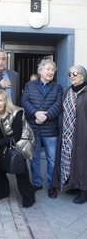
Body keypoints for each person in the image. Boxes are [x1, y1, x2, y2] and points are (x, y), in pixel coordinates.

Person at [21, 59, 63, 198]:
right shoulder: (30, 85)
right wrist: (35, 113)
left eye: (53, 70)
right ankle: (37, 183)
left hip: (51, 129)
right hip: (34, 127)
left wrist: (47, 115)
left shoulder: (58, 87)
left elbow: (58, 104)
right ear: (40, 71)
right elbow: (24, 101)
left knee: (51, 159)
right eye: (48, 69)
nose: (51, 72)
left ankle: (52, 185)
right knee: (35, 158)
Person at [0, 89, 35, 207]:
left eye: (0, 100)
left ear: (6, 102)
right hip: (5, 141)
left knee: (20, 167)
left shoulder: (16, 113)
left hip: (21, 142)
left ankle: (29, 197)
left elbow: (17, 136)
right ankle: (3, 191)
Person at [53, 65, 87, 204]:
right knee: (70, 160)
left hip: (82, 134)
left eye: (75, 73)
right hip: (67, 133)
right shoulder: (68, 91)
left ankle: (84, 191)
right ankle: (73, 184)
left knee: (83, 162)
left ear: (83, 76)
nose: (72, 76)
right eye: (69, 74)